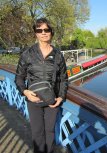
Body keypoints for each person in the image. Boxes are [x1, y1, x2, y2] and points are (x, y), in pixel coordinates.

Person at [15, 18, 68, 153]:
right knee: (37, 132)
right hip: (34, 100)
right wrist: (25, 92)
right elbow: (19, 78)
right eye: (39, 30)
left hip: (52, 101)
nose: (43, 33)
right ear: (36, 33)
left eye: (46, 30)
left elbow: (63, 79)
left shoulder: (58, 55)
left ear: (51, 32)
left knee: (50, 132)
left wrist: (61, 97)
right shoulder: (27, 54)